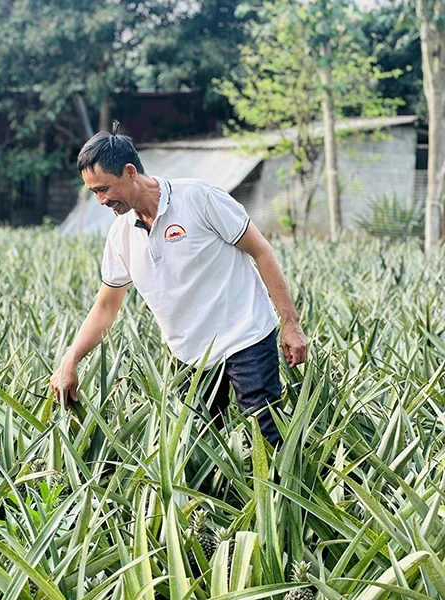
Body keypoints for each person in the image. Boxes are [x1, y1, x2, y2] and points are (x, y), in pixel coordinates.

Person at [49, 126, 308, 447]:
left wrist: (291, 324)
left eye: (104, 189)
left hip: (246, 336)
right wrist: (71, 358)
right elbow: (105, 308)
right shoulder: (120, 235)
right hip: (190, 354)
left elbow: (261, 251)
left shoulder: (199, 198)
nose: (100, 200)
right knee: (197, 447)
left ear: (130, 172)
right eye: (94, 193)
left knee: (268, 437)